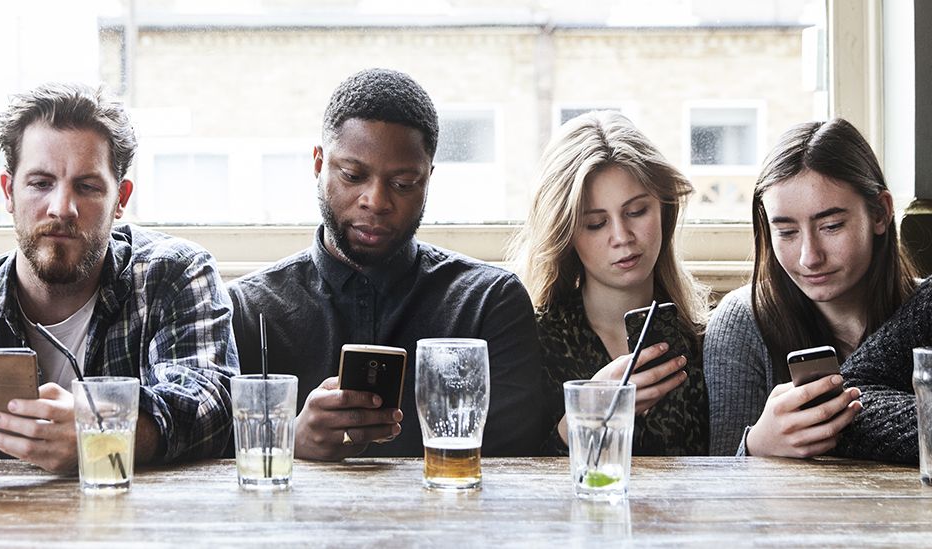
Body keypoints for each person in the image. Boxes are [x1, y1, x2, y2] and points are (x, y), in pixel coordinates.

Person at [229, 68, 545, 460]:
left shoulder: (488, 302)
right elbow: (209, 462)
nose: (376, 201)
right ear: (318, 164)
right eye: (352, 175)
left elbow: (521, 464)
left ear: (429, 178)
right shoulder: (247, 309)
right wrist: (289, 440)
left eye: (403, 184)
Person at [0, 83, 239, 469]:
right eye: (40, 183)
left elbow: (211, 403)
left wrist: (102, 431)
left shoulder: (173, 274)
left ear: (120, 199)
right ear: (8, 191)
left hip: (138, 525)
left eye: (87, 187)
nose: (62, 208)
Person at [705, 118, 919, 457]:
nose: (810, 257)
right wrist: (756, 446)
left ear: (880, 213)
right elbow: (715, 482)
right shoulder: (744, 323)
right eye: (787, 232)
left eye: (831, 226)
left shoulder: (922, 311)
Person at [509, 111, 709, 456]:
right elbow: (511, 482)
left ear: (664, 209)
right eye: (596, 223)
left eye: (635, 212)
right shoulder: (532, 340)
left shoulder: (706, 338)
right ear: (567, 234)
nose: (622, 237)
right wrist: (581, 419)